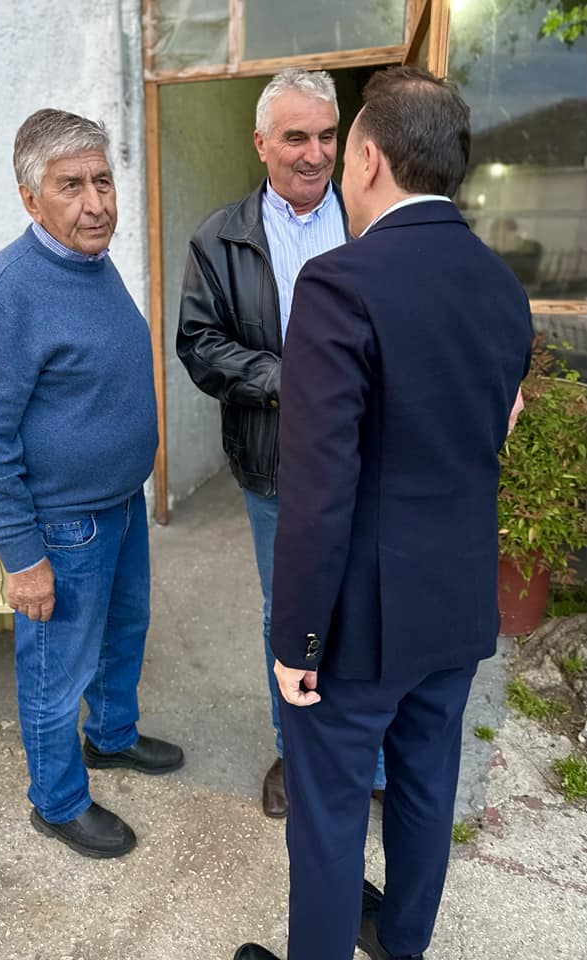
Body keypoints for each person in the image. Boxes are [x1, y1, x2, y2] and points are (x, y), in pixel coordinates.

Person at [234, 66, 532, 960]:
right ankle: (402, 943)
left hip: (361, 621)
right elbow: (493, 426)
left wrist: (296, 641)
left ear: (366, 159)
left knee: (327, 812)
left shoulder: (338, 283)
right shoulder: (500, 285)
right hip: (456, 602)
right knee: (424, 787)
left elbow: (317, 486)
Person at [0, 108, 183, 860]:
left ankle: (111, 737)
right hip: (63, 525)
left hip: (120, 504)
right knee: (56, 670)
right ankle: (55, 801)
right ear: (30, 199)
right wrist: (23, 559)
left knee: (123, 635)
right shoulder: (12, 290)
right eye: (71, 186)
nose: (96, 204)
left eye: (103, 181)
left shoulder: (92, 262)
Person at [177, 68, 386, 818]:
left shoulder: (371, 223)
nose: (315, 153)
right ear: (260, 142)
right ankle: (296, 755)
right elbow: (199, 344)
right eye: (296, 136)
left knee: (369, 605)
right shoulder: (220, 237)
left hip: (371, 460)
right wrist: (286, 379)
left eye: (328, 135)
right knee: (289, 614)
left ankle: (371, 762)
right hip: (275, 463)